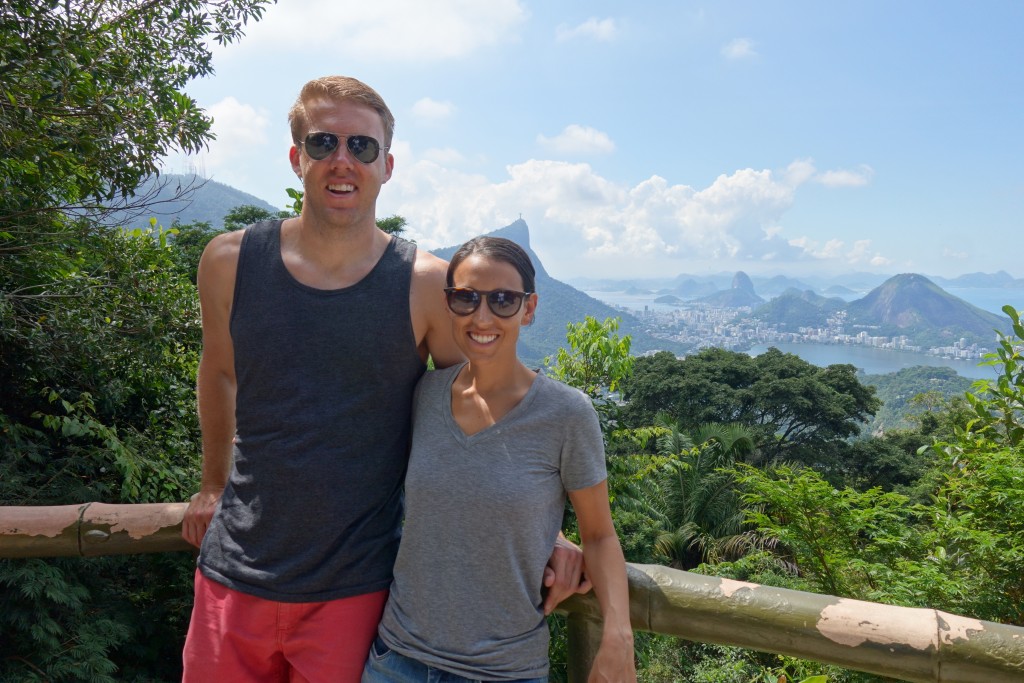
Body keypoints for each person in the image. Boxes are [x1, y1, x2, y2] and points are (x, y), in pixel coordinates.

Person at [180, 76, 585, 682]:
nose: (342, 161)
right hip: (231, 573)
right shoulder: (229, 263)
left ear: (387, 165)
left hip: (356, 588)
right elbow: (219, 375)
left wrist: (543, 526)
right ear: (297, 158)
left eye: (361, 147)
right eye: (323, 143)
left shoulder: (425, 283)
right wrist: (212, 485)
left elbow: (479, 409)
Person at [363, 236, 636, 683]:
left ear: (529, 309)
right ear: (449, 305)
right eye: (466, 298)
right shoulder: (425, 395)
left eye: (504, 300)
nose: (482, 316)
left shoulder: (566, 414)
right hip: (397, 658)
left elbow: (601, 535)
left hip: (504, 670)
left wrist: (618, 637)